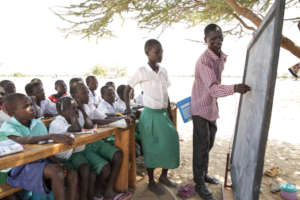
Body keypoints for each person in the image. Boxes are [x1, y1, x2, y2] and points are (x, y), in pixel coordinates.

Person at [190, 24, 251, 200]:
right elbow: (214, 90)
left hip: (211, 108)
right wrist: (236, 88)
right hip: (200, 108)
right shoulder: (204, 61)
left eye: (220, 37)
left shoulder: (220, 57)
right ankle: (199, 183)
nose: (217, 41)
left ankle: (203, 174)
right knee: (201, 147)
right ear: (205, 40)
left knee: (208, 144)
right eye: (213, 39)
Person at [124, 39, 180, 195]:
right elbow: (127, 89)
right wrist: (128, 110)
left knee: (172, 141)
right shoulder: (142, 71)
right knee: (151, 147)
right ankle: (151, 181)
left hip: (162, 114)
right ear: (147, 52)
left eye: (161, 51)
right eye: (157, 52)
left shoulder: (163, 71)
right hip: (149, 114)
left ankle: (163, 176)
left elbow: (166, 95)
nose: (160, 54)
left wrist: (169, 113)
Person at [0, 93, 77, 200]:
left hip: (39, 163)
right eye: (26, 106)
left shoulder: (38, 124)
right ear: (13, 112)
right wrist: (49, 136)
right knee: (56, 172)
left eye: (31, 104)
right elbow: (19, 140)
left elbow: (46, 149)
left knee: (71, 174)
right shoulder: (7, 127)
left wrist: (58, 162)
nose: (31, 108)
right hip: (19, 168)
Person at [69, 82, 127, 200]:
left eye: (87, 92)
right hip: (81, 146)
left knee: (118, 154)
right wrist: (83, 111)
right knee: (105, 168)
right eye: (84, 92)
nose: (88, 95)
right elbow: (90, 123)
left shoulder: (88, 105)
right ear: (74, 95)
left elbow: (102, 118)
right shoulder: (70, 110)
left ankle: (108, 190)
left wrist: (122, 117)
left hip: (94, 141)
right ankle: (98, 192)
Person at [49, 96, 95, 200]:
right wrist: (72, 114)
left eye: (75, 108)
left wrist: (79, 111)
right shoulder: (57, 123)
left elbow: (88, 126)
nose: (74, 111)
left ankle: (85, 197)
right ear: (61, 111)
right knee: (79, 172)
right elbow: (76, 128)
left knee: (86, 168)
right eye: (71, 108)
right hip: (61, 157)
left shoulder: (71, 120)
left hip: (72, 154)